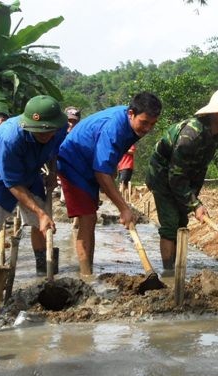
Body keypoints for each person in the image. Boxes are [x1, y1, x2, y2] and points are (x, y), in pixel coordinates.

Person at [146, 87, 218, 273]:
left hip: (183, 177)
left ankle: (178, 269)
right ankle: (169, 273)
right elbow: (175, 175)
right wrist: (195, 204)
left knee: (181, 222)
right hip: (162, 176)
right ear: (217, 114)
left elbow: (200, 167)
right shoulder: (191, 135)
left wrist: (193, 199)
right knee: (171, 224)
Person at [57, 92, 162, 276]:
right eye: (144, 122)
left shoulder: (132, 125)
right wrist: (123, 208)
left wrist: (112, 167)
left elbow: (109, 159)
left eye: (152, 124)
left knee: (90, 218)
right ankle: (86, 276)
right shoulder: (114, 127)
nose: (147, 129)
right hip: (73, 163)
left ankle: (87, 271)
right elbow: (101, 172)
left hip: (90, 163)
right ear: (131, 113)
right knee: (88, 219)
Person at [0, 95, 67, 275]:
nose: (45, 135)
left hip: (30, 171)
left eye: (49, 130)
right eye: (39, 131)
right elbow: (12, 183)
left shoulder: (58, 128)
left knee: (41, 224)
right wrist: (41, 212)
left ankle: (44, 273)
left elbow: (54, 150)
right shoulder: (10, 138)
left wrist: (52, 171)